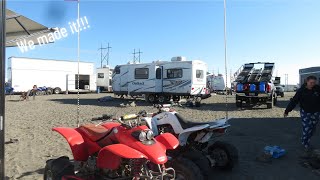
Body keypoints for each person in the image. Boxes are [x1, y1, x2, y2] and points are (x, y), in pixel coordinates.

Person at [284, 75, 320, 157]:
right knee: (307, 128)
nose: (312, 84)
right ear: (306, 82)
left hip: (316, 112)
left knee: (312, 128)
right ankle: (305, 143)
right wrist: (287, 111)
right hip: (305, 112)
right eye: (311, 82)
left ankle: (306, 139)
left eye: (314, 83)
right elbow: (294, 101)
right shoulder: (301, 91)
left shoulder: (318, 89)